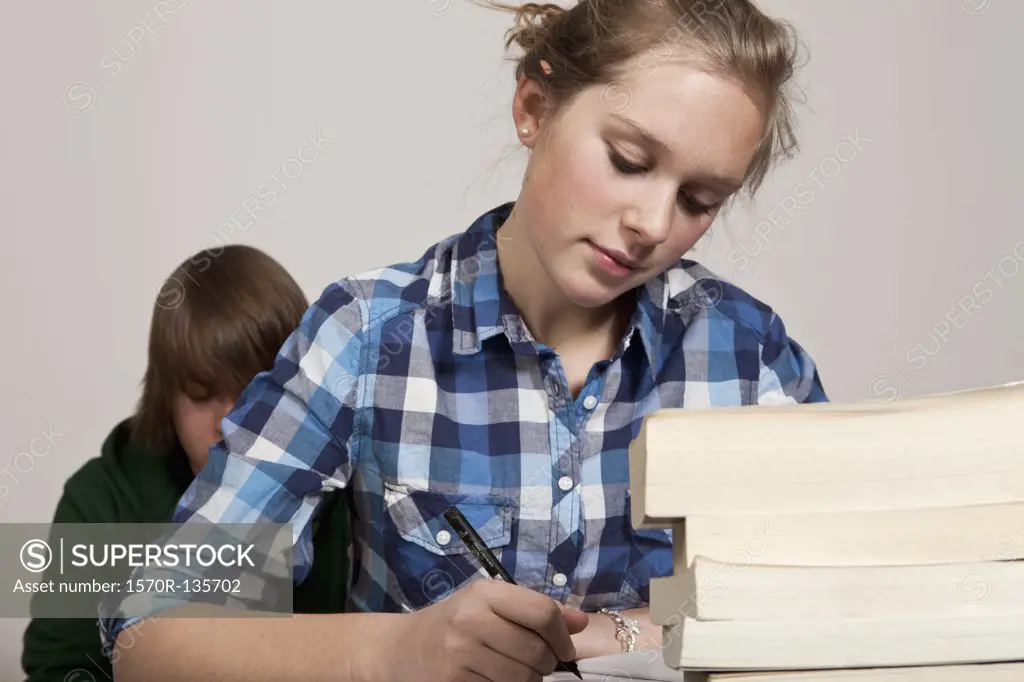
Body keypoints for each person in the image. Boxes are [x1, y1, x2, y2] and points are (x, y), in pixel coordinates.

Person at [103, 1, 827, 680]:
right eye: (630, 160)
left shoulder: (749, 355)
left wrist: (630, 632)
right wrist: (396, 650)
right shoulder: (367, 335)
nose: (653, 222)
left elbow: (843, 600)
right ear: (534, 109)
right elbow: (150, 637)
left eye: (699, 200)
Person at [22, 245, 352, 682]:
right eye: (200, 395)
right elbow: (57, 671)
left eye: (255, 391)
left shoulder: (354, 485)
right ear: (166, 397)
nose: (229, 421)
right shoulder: (101, 499)